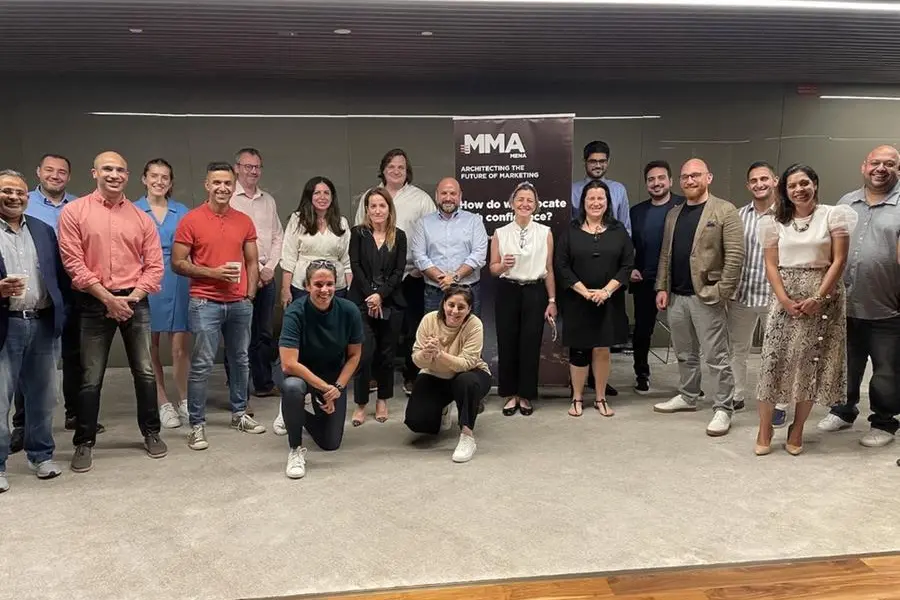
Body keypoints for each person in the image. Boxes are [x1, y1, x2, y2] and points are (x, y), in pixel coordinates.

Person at [57, 151, 166, 472]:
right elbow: (73, 263)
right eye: (107, 169)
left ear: (127, 176)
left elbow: (154, 266)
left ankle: (152, 432)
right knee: (90, 376)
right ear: (94, 173)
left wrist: (131, 298)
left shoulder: (141, 218)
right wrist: (108, 299)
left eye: (120, 170)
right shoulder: (74, 212)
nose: (114, 174)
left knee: (145, 372)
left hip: (135, 300)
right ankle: (84, 442)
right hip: (93, 301)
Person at [755, 164, 856, 455]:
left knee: (809, 365)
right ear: (784, 190)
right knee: (773, 362)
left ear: (815, 184)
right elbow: (770, 264)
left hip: (823, 297)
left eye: (804, 183)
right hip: (784, 297)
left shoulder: (834, 215)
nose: (799, 189)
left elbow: (839, 260)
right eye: (792, 185)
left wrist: (818, 298)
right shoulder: (774, 221)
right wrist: (784, 300)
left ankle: (797, 428)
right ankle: (765, 427)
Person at [172, 162, 264, 451]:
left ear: (233, 186)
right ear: (207, 185)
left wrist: (249, 294)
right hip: (205, 302)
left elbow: (252, 261)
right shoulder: (191, 220)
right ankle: (196, 425)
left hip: (239, 303)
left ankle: (239, 413)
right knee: (202, 364)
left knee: (241, 360)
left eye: (227, 183)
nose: (222, 188)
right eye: (217, 183)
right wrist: (213, 273)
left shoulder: (243, 221)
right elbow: (177, 263)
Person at [653, 158, 744, 437]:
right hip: (677, 296)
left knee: (716, 356)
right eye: (685, 177)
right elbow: (666, 254)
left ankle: (724, 407)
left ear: (709, 177)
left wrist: (722, 292)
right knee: (684, 353)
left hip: (707, 296)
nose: (690, 180)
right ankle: (688, 395)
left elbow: (735, 256)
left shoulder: (724, 210)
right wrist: (662, 287)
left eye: (695, 175)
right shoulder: (674, 214)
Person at [819, 145, 900, 448]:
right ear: (863, 166)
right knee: (846, 364)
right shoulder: (846, 202)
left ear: (898, 169)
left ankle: (884, 422)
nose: (881, 168)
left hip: (888, 306)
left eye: (889, 164)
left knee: (887, 371)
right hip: (846, 304)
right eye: (875, 163)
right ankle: (843, 410)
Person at [10, 153, 88, 455]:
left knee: (75, 355)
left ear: (69, 176)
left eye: (62, 172)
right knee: (25, 361)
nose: (56, 176)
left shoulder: (79, 205)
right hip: (33, 290)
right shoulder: (24, 203)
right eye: (50, 170)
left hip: (71, 289)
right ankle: (22, 424)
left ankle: (75, 413)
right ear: (38, 172)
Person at [0, 170, 71, 491]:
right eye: (6, 191)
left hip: (42, 323)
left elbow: (59, 276)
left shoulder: (42, 230)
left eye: (20, 192)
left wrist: (62, 313)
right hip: (6, 324)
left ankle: (41, 455)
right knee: (1, 400)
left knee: (44, 397)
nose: (14, 197)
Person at [354, 149, 435, 397]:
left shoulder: (421, 199)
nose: (396, 171)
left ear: (407, 170)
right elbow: (360, 233)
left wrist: (422, 267)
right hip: (372, 279)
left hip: (410, 275)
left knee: (412, 329)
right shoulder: (370, 196)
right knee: (373, 332)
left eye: (401, 167)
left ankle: (412, 376)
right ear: (383, 169)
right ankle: (373, 376)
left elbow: (432, 233)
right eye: (391, 166)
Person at [278, 261, 363, 479]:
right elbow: (288, 363)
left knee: (330, 443)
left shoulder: (349, 310)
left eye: (329, 284)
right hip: (302, 375)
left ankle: (294, 413)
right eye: (318, 284)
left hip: (332, 378)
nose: (324, 290)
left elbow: (354, 355)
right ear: (307, 286)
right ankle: (295, 449)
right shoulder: (295, 312)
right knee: (292, 388)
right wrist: (325, 388)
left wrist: (337, 388)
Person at [556, 180, 634, 417]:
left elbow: (627, 265)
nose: (596, 203)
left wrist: (606, 291)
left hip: (608, 301)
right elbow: (562, 266)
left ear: (608, 202)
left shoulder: (618, 230)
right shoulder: (571, 231)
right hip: (578, 301)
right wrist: (585, 292)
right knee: (579, 351)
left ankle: (600, 398)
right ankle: (577, 398)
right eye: (591, 198)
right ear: (583, 202)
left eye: (601, 198)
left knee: (602, 349)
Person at [489, 181, 556, 416]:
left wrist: (552, 300)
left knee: (530, 344)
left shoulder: (545, 232)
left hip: (535, 291)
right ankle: (510, 394)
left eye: (530, 200)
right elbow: (493, 268)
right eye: (520, 199)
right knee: (507, 343)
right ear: (512, 203)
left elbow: (549, 269)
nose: (525, 204)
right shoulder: (500, 233)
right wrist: (502, 266)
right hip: (508, 290)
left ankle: (525, 395)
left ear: (535, 205)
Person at [729, 162, 789, 424]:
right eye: (754, 180)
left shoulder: (788, 215)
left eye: (764, 178)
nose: (759, 184)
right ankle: (736, 394)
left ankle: (780, 403)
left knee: (778, 352)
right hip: (742, 294)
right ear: (748, 185)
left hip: (775, 296)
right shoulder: (738, 216)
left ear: (775, 181)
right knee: (736, 348)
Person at [405, 285, 492, 463]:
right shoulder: (429, 320)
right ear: (443, 304)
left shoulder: (474, 325)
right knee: (417, 422)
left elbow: (467, 363)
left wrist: (440, 354)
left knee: (467, 381)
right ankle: (443, 408)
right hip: (435, 374)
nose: (455, 311)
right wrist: (426, 353)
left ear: (469, 309)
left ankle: (467, 436)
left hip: (469, 373)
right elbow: (417, 360)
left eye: (461, 307)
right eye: (451, 305)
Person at [134, 158, 191, 429]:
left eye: (164, 177)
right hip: (144, 278)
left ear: (171, 182)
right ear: (144, 179)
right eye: (154, 176)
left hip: (179, 278)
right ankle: (162, 401)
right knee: (150, 346)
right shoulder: (132, 210)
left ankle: (185, 399)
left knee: (180, 347)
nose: (159, 181)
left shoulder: (182, 211)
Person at [348, 187, 406, 426]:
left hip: (390, 302)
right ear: (367, 209)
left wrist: (380, 295)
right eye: (373, 206)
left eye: (382, 205)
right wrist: (371, 296)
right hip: (361, 301)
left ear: (389, 209)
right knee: (364, 354)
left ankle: (383, 400)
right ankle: (361, 404)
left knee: (386, 354)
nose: (378, 210)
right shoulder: (358, 233)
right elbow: (355, 266)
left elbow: (398, 271)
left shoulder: (399, 236)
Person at [230, 147, 283, 398]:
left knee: (264, 332)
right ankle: (239, 390)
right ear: (237, 168)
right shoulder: (229, 199)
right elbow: (231, 242)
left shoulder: (268, 201)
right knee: (238, 334)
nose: (253, 171)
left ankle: (263, 384)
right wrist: (258, 269)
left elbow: (278, 236)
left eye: (257, 167)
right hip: (240, 276)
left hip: (267, 276)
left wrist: (269, 267)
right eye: (247, 166)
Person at [629, 160, 683, 394]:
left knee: (684, 332)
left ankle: (690, 380)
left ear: (670, 181)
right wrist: (630, 268)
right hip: (645, 280)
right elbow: (627, 244)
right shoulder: (637, 212)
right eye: (651, 179)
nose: (656, 183)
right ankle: (641, 373)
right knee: (643, 331)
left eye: (661, 178)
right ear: (646, 184)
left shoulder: (684, 206)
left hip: (679, 280)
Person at [411, 177, 488, 316]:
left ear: (460, 196)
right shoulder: (423, 223)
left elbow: (479, 254)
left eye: (453, 193)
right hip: (435, 292)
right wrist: (443, 280)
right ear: (436, 196)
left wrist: (454, 278)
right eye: (444, 193)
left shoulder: (474, 221)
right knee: (434, 330)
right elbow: (419, 256)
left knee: (469, 330)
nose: (448, 198)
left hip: (467, 290)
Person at [280, 176, 352, 303]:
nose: (322, 197)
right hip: (303, 287)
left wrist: (351, 291)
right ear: (309, 196)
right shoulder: (297, 220)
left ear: (332, 197)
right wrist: (285, 289)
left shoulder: (342, 222)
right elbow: (289, 257)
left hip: (336, 288)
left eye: (326, 193)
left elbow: (347, 261)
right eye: (317, 193)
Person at [571, 140, 631, 234]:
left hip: (613, 241)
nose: (598, 166)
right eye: (593, 161)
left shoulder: (619, 190)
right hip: (580, 241)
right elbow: (570, 228)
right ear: (585, 162)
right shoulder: (572, 191)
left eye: (602, 161)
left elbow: (626, 228)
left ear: (608, 161)